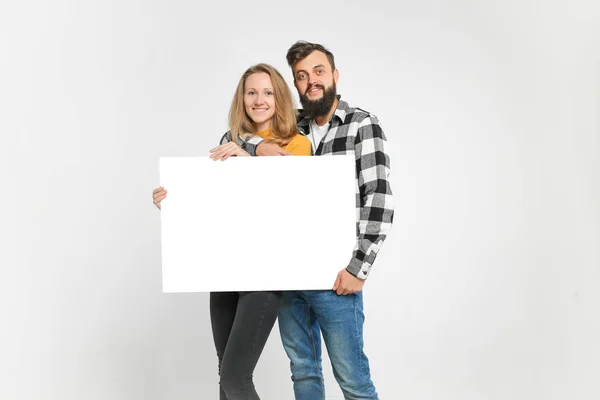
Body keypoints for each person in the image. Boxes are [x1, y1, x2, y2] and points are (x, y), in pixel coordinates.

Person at [244, 41, 394, 400]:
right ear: (294, 86)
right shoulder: (287, 126)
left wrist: (358, 269)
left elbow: (379, 200)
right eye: (301, 76)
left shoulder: (361, 124)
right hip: (288, 275)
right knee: (304, 373)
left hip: (336, 278)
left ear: (334, 76)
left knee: (353, 379)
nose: (311, 81)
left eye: (318, 71)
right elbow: (231, 138)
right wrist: (256, 146)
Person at [152, 63, 311, 400]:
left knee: (237, 378)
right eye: (251, 92)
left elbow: (290, 206)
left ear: (279, 98)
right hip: (224, 271)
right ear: (242, 98)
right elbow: (220, 206)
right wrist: (175, 204)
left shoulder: (296, 144)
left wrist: (249, 157)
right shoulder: (229, 141)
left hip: (264, 275)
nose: (259, 100)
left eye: (267, 92)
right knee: (226, 374)